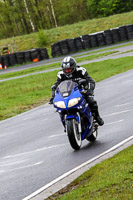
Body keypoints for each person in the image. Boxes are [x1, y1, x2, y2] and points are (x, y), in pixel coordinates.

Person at [49, 56, 104, 126]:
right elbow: (56, 86)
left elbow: (90, 81)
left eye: (69, 69)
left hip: (81, 91)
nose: (67, 71)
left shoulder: (81, 70)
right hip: (69, 93)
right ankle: (65, 124)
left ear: (74, 67)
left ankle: (97, 117)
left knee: (92, 101)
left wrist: (89, 91)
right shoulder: (60, 74)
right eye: (66, 70)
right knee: (60, 108)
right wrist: (53, 97)